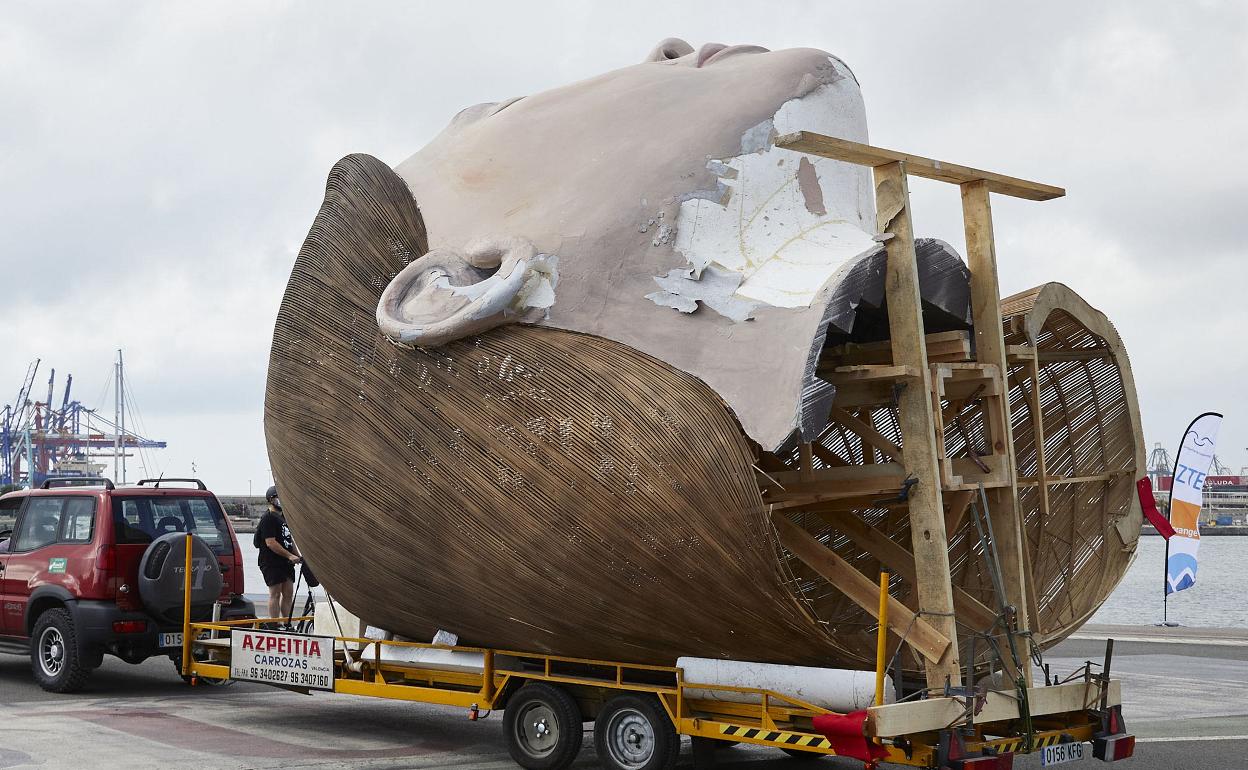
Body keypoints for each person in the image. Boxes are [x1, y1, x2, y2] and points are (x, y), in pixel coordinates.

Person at [256, 485, 301, 626]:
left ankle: (286, 623)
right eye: (278, 497)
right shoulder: (268, 518)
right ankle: (274, 624)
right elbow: (270, 542)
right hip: (271, 561)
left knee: (288, 593)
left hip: (285, 562)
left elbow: (289, 539)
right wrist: (289, 556)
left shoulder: (284, 518)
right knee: (275, 593)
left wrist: (297, 556)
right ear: (271, 499)